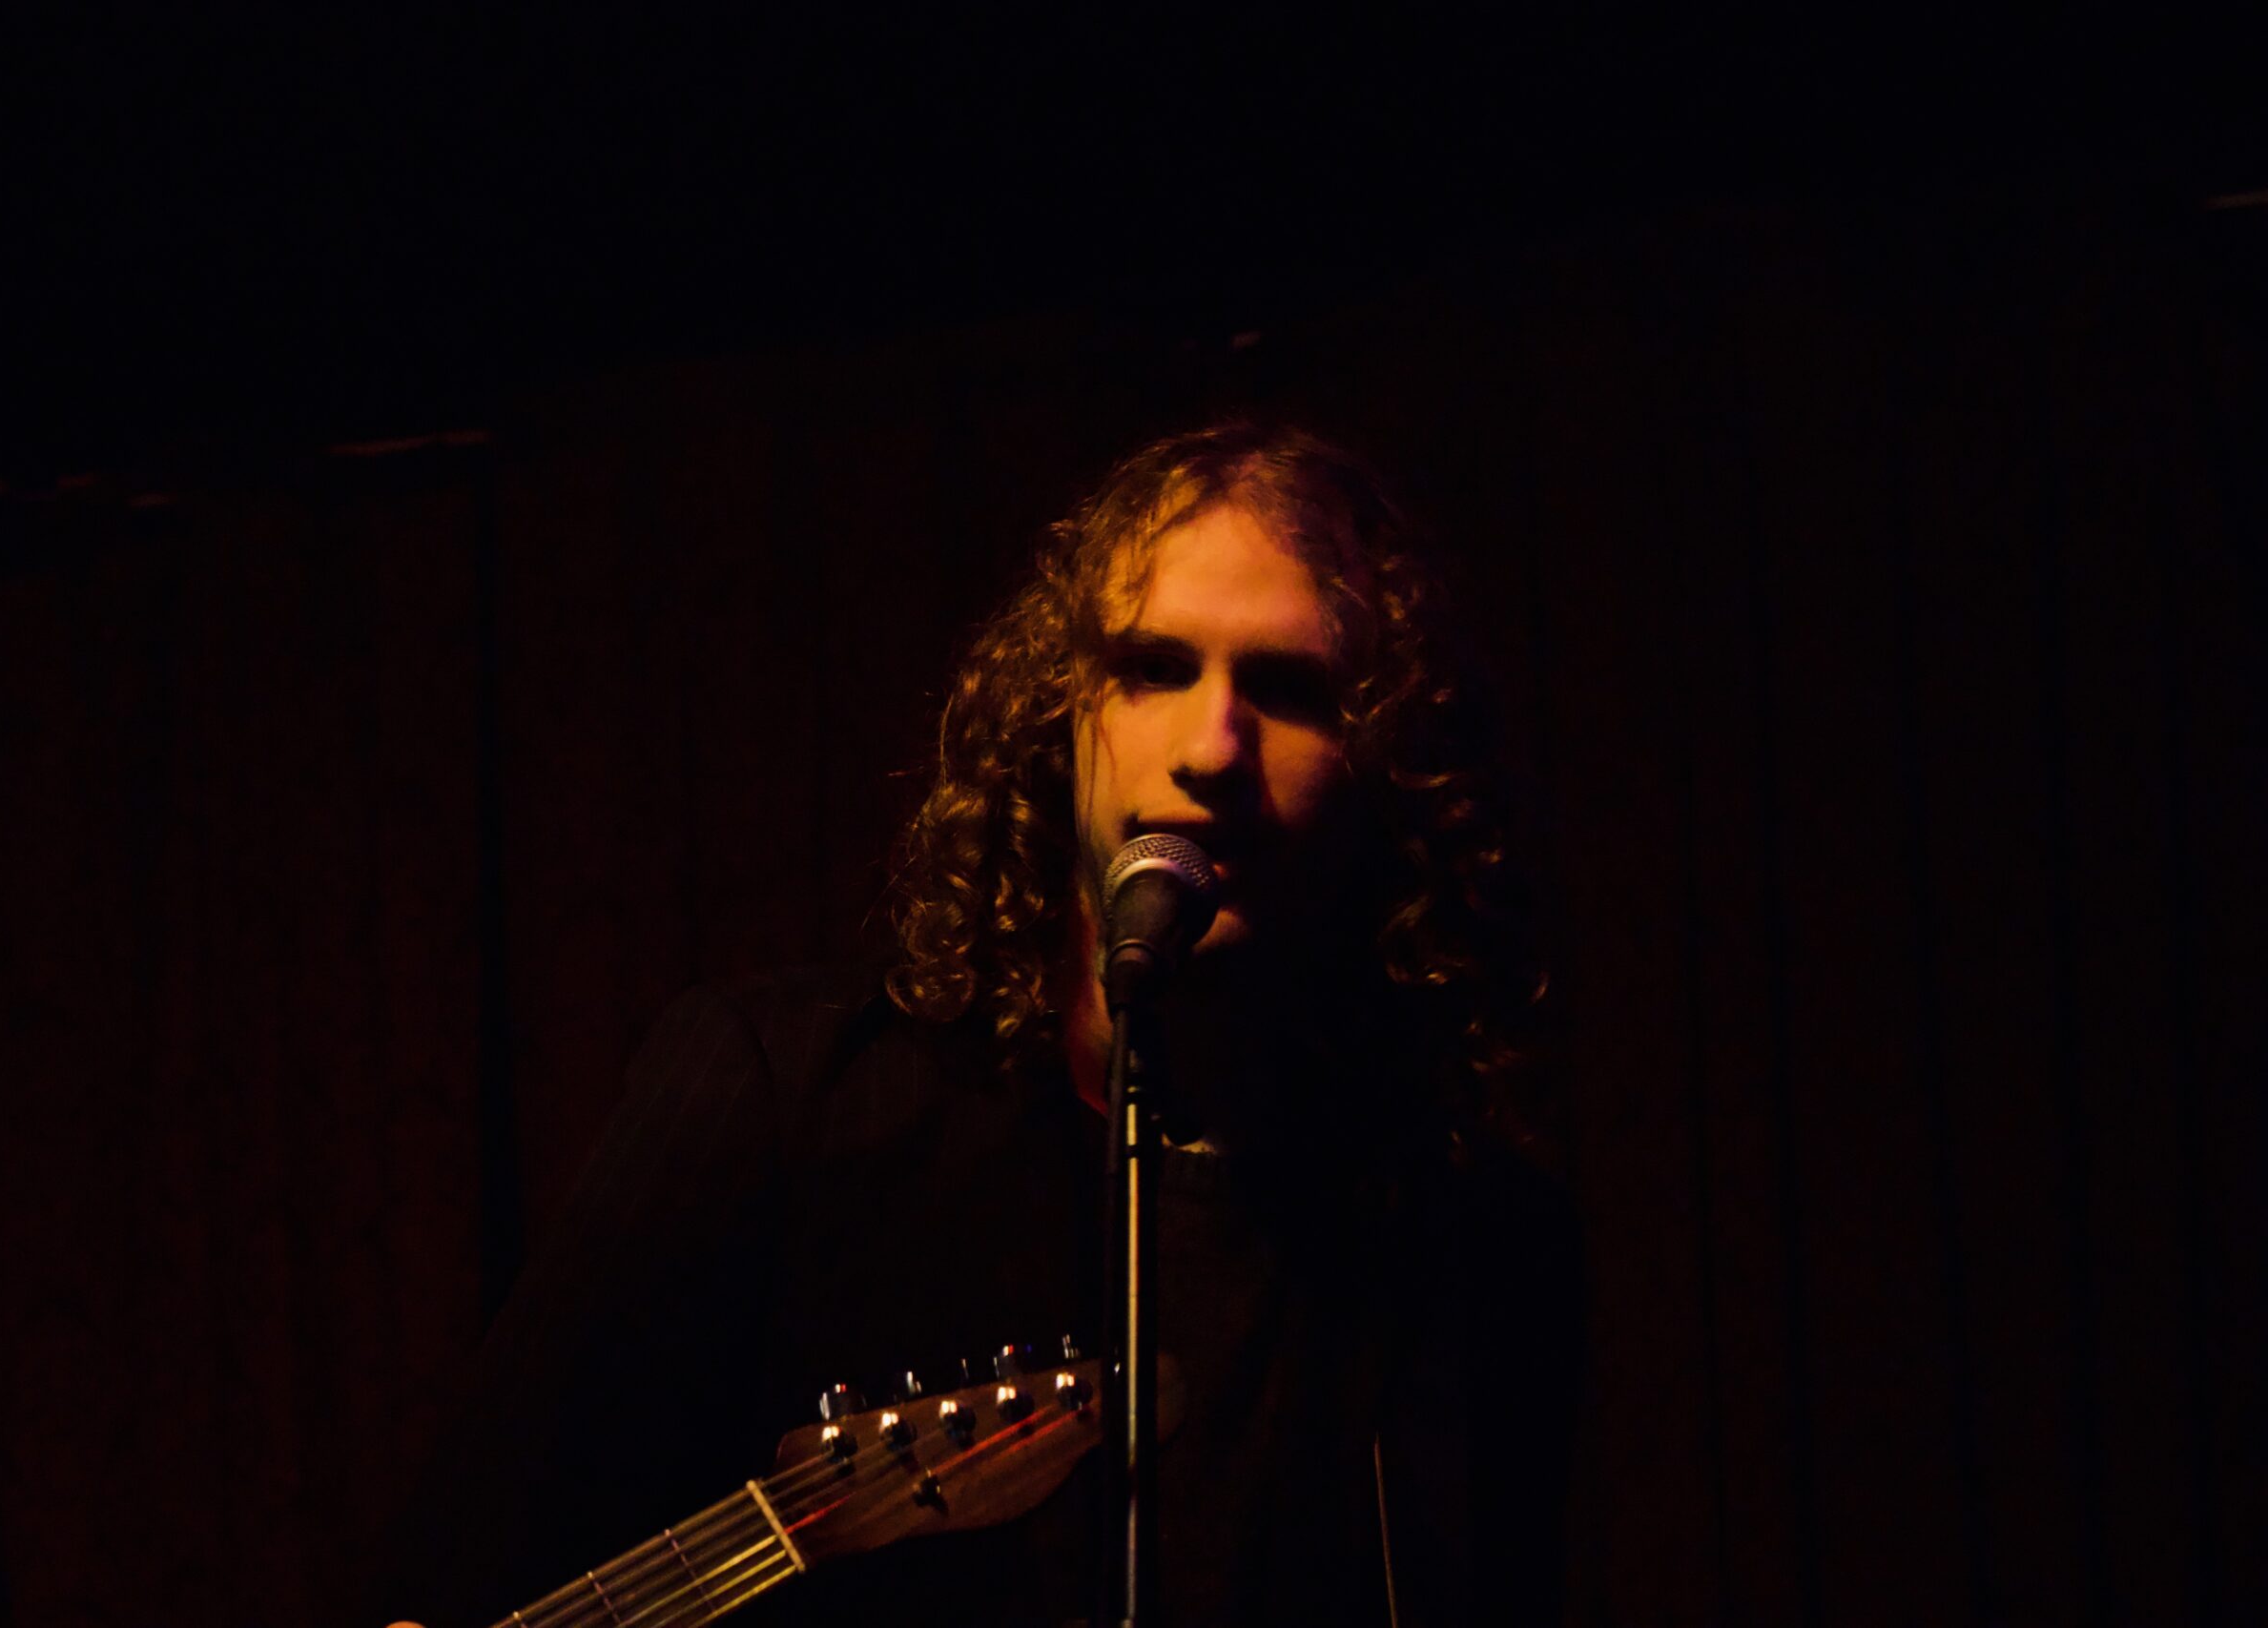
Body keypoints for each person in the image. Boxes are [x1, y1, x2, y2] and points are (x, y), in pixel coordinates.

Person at [374, 423, 1583, 1628]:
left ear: (1388, 764)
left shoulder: (1469, 1227)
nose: (1212, 748)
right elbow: (452, 1581)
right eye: (1153, 669)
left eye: (1288, 691)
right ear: (1059, 715)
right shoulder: (783, 1095)